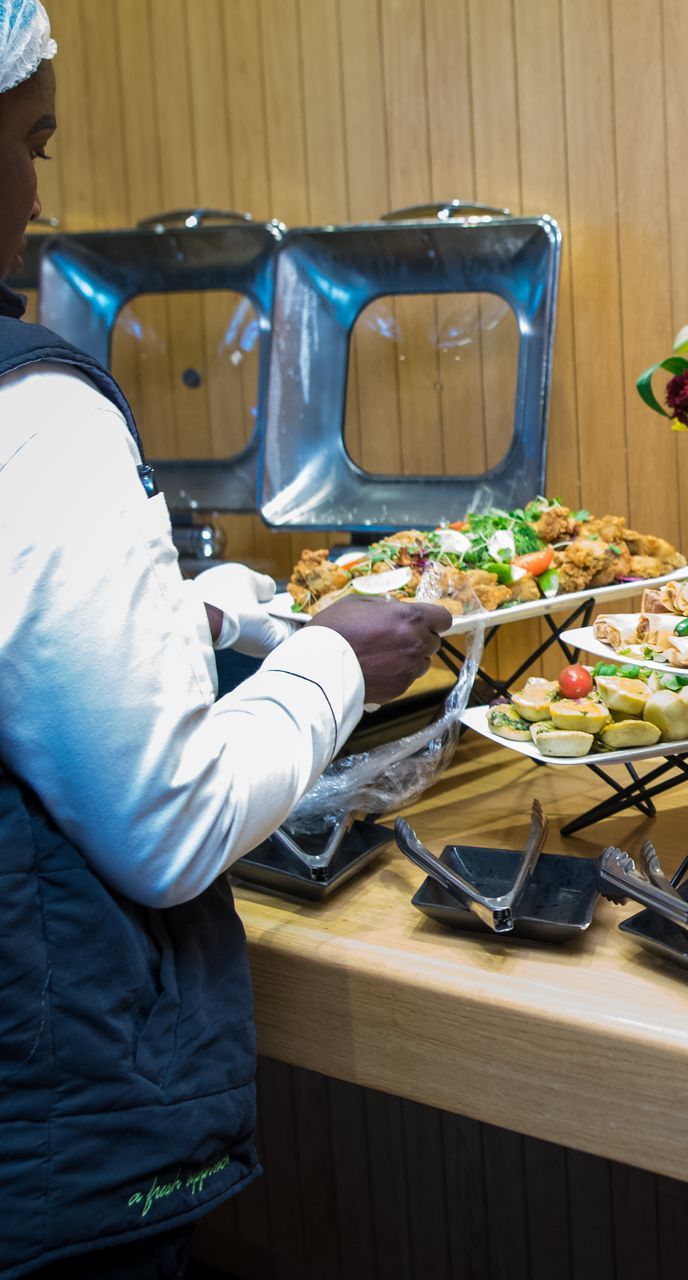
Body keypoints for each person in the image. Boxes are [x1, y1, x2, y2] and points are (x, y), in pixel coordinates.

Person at [0, 5, 452, 1276]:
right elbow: (170, 821)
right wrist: (333, 665)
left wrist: (189, 617)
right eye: (31, 142)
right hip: (44, 1141)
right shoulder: (32, 412)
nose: (37, 193)